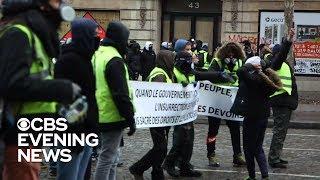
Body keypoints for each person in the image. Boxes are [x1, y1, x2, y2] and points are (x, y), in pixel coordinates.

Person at [0, 0, 80, 179]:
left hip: (31, 133)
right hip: (18, 134)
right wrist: (61, 88)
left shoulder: (35, 34)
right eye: (56, 1)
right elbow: (11, 85)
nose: (61, 6)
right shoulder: (18, 32)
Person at [163, 40, 233, 177]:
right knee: (179, 140)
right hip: (178, 113)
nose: (191, 63)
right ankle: (169, 163)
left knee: (189, 140)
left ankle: (185, 166)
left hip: (189, 112)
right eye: (189, 61)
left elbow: (204, 74)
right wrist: (178, 87)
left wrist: (220, 75)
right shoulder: (174, 72)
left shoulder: (190, 72)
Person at [54, 18, 100, 180]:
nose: (98, 38)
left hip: (86, 131)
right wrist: (76, 133)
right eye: (94, 35)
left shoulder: (85, 58)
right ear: (84, 36)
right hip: (72, 134)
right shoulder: (68, 61)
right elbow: (64, 101)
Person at [92, 21, 136, 180]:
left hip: (99, 112)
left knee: (110, 158)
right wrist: (130, 118)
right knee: (106, 159)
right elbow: (120, 93)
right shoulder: (114, 58)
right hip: (112, 115)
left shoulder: (98, 53)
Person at [129, 50, 175, 180]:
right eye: (172, 58)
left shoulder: (164, 72)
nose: (174, 61)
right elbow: (159, 96)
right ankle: (138, 168)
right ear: (166, 60)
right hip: (157, 117)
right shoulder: (159, 74)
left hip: (163, 117)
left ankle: (156, 172)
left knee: (160, 147)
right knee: (161, 147)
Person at [237, 56, 282, 180]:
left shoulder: (254, 79)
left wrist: (250, 67)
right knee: (258, 147)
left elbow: (240, 71)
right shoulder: (267, 80)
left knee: (248, 148)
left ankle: (252, 176)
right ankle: (265, 175)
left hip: (252, 117)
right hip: (263, 116)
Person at [206, 42, 246, 167]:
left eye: (233, 54)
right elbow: (209, 75)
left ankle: (237, 155)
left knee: (235, 129)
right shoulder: (217, 62)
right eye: (229, 54)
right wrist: (222, 76)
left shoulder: (240, 62)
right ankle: (211, 155)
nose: (231, 56)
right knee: (213, 130)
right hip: (217, 101)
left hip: (232, 101)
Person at [268, 28, 298, 169]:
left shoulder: (283, 64)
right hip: (281, 102)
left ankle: (276, 156)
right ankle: (274, 159)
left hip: (285, 102)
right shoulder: (276, 63)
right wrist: (288, 40)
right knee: (279, 131)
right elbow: (282, 53)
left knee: (281, 132)